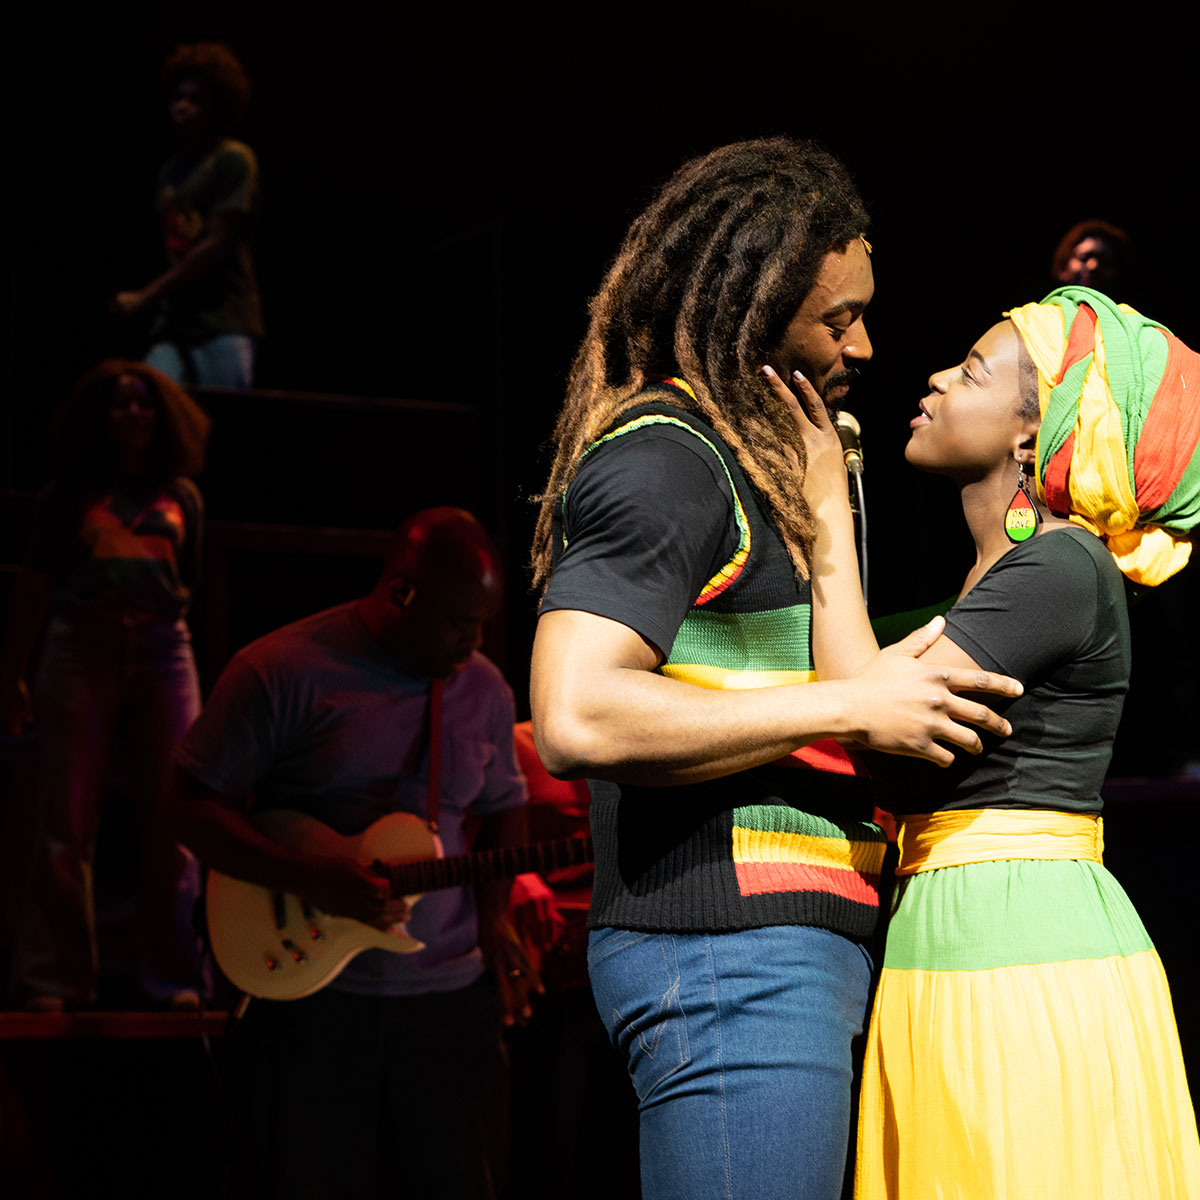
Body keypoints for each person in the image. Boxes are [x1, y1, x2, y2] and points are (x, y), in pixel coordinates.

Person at [528, 138, 1022, 1200]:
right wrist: (854, 699)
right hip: (729, 954)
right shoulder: (667, 457)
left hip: (783, 948)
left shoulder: (763, 467)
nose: (868, 343)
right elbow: (574, 711)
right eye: (837, 317)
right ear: (751, 308)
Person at [771, 284, 1200, 1196]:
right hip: (966, 922)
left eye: (972, 370)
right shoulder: (1004, 585)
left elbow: (861, 707)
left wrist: (826, 503)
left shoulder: (1061, 566)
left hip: (1014, 935)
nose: (937, 377)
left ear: (1033, 434)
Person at [169, 507, 533, 1199]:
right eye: (459, 622)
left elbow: (503, 804)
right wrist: (309, 877)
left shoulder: (481, 687)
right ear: (403, 593)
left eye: (482, 623)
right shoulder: (280, 671)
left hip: (448, 1006)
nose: (474, 641)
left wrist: (495, 915)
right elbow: (186, 805)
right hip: (310, 1007)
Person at [4, 360, 212, 1011]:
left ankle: (174, 977)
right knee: (66, 820)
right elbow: (36, 584)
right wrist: (12, 670)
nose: (133, 415)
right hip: (80, 646)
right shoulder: (68, 494)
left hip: (161, 648)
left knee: (174, 817)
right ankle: (53, 979)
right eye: (121, 405)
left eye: (145, 404)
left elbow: (191, 581)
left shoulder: (182, 495)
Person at [113, 42, 263, 389]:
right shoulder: (171, 173)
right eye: (179, 97)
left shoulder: (233, 160)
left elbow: (215, 244)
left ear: (219, 109)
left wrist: (145, 296)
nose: (181, 107)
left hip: (224, 322)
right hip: (174, 325)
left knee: (221, 421)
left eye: (196, 100)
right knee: (151, 399)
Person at [1051, 218, 1133, 291]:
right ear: (1064, 265)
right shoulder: (1044, 308)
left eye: (1105, 261)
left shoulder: (1124, 309)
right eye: (1083, 257)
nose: (1093, 266)